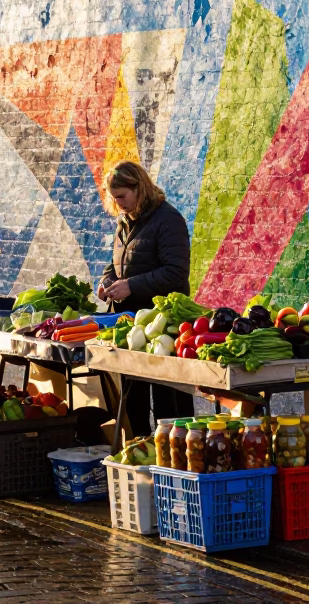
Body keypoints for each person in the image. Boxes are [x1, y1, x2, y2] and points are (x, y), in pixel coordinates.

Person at [97, 161, 195, 436]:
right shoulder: (125, 222)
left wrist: (131, 286)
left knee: (167, 398)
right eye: (113, 198)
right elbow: (117, 263)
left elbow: (175, 272)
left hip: (162, 325)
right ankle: (140, 445)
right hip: (129, 324)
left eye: (122, 197)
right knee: (134, 394)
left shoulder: (168, 220)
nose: (118, 204)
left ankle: (174, 453)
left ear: (139, 188)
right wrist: (107, 282)